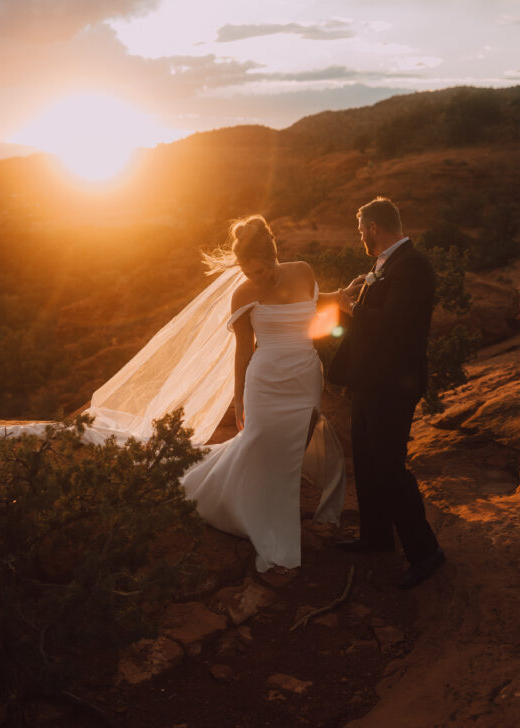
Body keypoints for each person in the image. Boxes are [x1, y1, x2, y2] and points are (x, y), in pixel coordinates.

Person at [181, 215, 345, 577]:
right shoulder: (243, 293)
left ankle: (278, 507)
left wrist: (341, 296)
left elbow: (312, 305)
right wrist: (239, 399)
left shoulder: (302, 271)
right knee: (258, 443)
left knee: (295, 447)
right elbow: (243, 350)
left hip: (304, 375)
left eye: (259, 271)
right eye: (247, 272)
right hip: (265, 380)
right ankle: (263, 518)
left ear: (274, 256)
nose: (254, 278)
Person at [328, 197, 445, 589]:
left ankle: (425, 552)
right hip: (369, 381)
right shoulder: (383, 265)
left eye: (361, 229)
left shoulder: (412, 266)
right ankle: (376, 536)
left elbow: (395, 325)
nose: (360, 236)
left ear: (374, 227)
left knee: (390, 467)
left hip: (394, 384)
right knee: (366, 460)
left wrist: (350, 309)